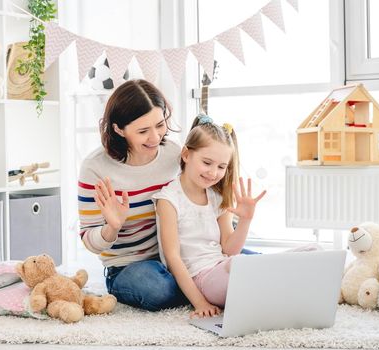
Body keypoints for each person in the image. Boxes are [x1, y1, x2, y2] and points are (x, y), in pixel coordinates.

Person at [78, 79, 188, 311]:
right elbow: (89, 241)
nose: (155, 138)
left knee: (239, 262)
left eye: (160, 125)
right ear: (119, 129)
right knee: (158, 289)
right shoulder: (95, 168)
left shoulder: (173, 154)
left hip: (174, 253)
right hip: (127, 267)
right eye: (143, 131)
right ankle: (200, 287)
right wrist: (113, 227)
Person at [153, 115, 267, 318]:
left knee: (307, 252)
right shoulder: (168, 200)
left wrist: (245, 220)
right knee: (249, 270)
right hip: (202, 277)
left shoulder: (216, 197)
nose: (214, 173)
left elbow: (229, 249)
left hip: (224, 265)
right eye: (207, 163)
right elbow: (173, 258)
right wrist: (199, 302)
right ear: (186, 155)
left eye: (222, 167)